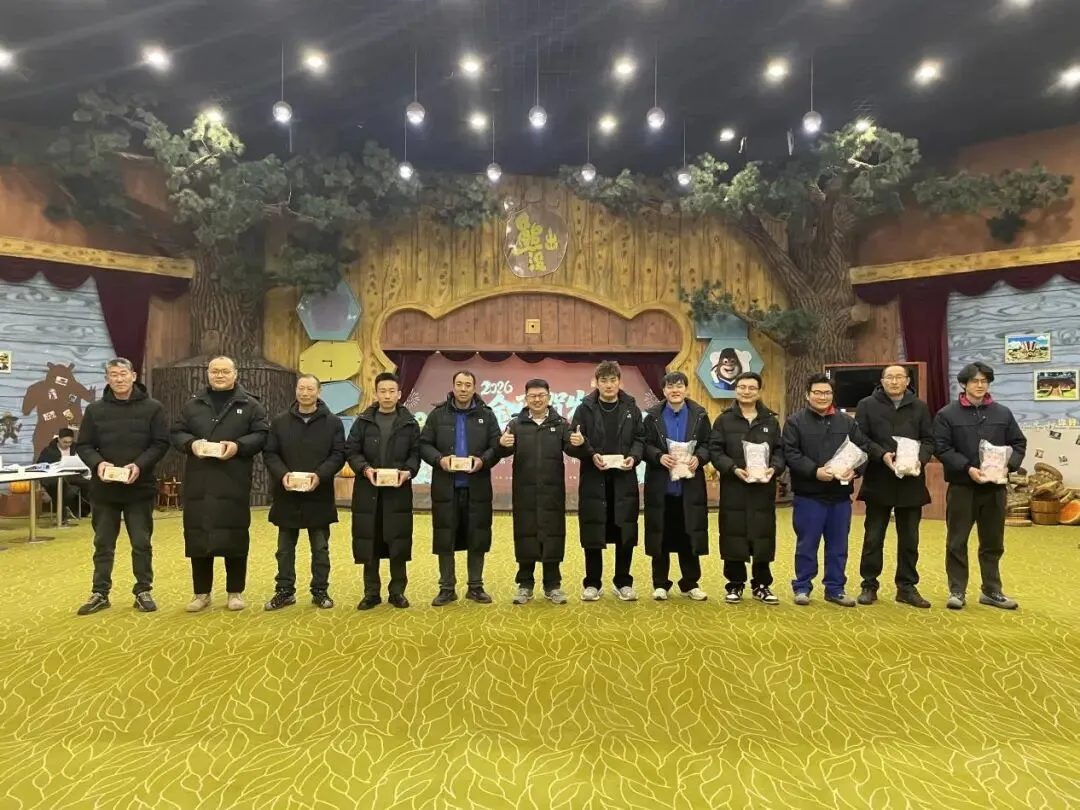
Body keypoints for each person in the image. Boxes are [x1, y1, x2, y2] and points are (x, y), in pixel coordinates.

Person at [171, 355, 270, 612]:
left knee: (235, 536)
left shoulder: (250, 404)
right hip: (199, 481)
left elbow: (262, 435)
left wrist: (238, 446)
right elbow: (177, 432)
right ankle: (201, 593)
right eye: (215, 371)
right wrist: (191, 444)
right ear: (208, 374)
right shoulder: (193, 404)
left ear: (235, 374)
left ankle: (235, 592)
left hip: (233, 479)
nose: (219, 375)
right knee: (198, 536)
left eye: (225, 371)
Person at [74, 358, 170, 615]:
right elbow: (84, 445)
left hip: (139, 488)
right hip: (104, 489)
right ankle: (100, 593)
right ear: (107, 378)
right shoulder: (95, 410)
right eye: (113, 375)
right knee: (103, 543)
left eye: (123, 374)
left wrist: (139, 465)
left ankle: (143, 591)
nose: (119, 379)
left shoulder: (153, 408)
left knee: (141, 542)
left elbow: (160, 443)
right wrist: (98, 464)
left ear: (133, 375)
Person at [933, 362, 1026, 610]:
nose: (980, 385)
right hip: (963, 487)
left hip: (995, 488)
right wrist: (967, 468)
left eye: (984, 381)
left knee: (993, 542)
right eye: (975, 381)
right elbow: (942, 448)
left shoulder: (1002, 413)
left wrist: (1009, 466)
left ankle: (992, 590)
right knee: (957, 541)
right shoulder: (946, 414)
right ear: (964, 384)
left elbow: (1019, 443)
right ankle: (957, 590)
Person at [782, 373, 870, 607]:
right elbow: (791, 454)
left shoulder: (847, 422)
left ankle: (835, 589)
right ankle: (802, 587)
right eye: (817, 392)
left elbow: (862, 450)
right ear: (807, 395)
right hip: (809, 495)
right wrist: (815, 471)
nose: (822, 397)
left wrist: (855, 471)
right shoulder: (795, 422)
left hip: (840, 496)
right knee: (807, 545)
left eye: (827, 393)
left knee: (838, 546)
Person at [854, 365, 935, 609]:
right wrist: (882, 455)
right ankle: (869, 585)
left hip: (911, 480)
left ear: (907, 381)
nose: (894, 381)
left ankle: (906, 587)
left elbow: (929, 440)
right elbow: (860, 438)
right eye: (889, 377)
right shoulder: (867, 405)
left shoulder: (919, 407)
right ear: (882, 381)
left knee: (910, 539)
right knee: (873, 537)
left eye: (899, 377)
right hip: (879, 477)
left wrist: (919, 459)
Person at [262, 374, 345, 611]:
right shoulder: (280, 421)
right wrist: (283, 475)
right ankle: (284, 591)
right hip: (287, 495)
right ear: (296, 390)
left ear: (318, 392)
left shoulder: (332, 422)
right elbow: (270, 453)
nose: (305, 393)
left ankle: (320, 591)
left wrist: (320, 475)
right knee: (284, 549)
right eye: (301, 388)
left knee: (320, 549)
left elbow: (339, 454)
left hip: (319, 495)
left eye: (310, 389)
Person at [418, 370, 501, 606]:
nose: (463, 389)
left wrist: (483, 461)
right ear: (453, 386)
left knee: (478, 536)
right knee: (445, 537)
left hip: (477, 488)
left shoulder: (487, 415)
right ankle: (446, 588)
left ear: (474, 388)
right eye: (459, 384)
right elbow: (424, 445)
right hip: (446, 488)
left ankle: (475, 586)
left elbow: (496, 447)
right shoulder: (437, 415)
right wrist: (439, 460)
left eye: (468, 385)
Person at [569, 360, 645, 602]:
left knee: (625, 531)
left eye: (613, 380)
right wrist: (590, 453)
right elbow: (574, 441)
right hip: (594, 479)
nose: (609, 385)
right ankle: (592, 583)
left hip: (624, 480)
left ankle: (623, 582)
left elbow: (640, 439)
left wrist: (634, 457)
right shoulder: (584, 409)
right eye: (604, 380)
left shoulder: (631, 407)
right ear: (596, 383)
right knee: (593, 530)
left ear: (619, 382)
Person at [346, 372, 421, 610]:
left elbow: (416, 454)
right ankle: (371, 593)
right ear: (376, 393)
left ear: (399, 394)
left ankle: (397, 591)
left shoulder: (410, 423)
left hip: (398, 492)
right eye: (383, 391)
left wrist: (407, 472)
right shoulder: (363, 421)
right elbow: (352, 451)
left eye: (391, 391)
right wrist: (365, 469)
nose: (387, 396)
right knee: (370, 541)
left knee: (398, 541)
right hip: (368, 491)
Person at [710, 371, 785, 604]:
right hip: (734, 487)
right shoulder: (724, 420)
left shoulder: (770, 421)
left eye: (752, 388)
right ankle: (735, 583)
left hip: (762, 488)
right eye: (742, 387)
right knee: (733, 534)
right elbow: (715, 451)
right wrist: (732, 468)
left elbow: (780, 451)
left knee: (763, 535)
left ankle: (762, 584)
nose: (746, 391)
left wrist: (774, 469)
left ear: (759, 391)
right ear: (736, 390)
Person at [497, 378, 573, 606]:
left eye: (541, 395)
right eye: (533, 396)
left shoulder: (561, 424)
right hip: (524, 491)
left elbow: (573, 449)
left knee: (553, 534)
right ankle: (525, 584)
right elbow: (501, 451)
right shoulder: (516, 424)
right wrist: (502, 444)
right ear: (526, 398)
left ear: (549, 397)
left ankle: (553, 584)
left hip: (552, 491)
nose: (537, 399)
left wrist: (578, 443)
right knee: (525, 534)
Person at [642, 372, 711, 602]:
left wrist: (699, 458)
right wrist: (658, 456)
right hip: (661, 487)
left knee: (689, 535)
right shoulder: (652, 417)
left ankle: (690, 583)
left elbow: (708, 444)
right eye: (670, 387)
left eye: (679, 386)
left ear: (685, 389)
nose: (675, 390)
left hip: (689, 488)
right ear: (664, 391)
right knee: (659, 535)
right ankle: (660, 583)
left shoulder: (699, 415)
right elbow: (644, 444)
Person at [37, 427, 91, 524]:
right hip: (54, 477)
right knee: (62, 486)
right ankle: (65, 512)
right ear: (58, 439)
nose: (67, 444)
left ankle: (83, 509)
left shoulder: (76, 448)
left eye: (70, 442)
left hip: (74, 474)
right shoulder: (49, 450)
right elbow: (40, 465)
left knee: (89, 484)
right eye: (65, 442)